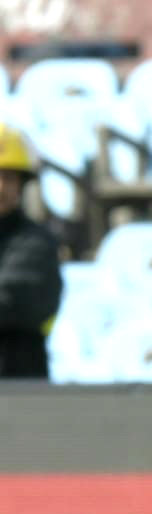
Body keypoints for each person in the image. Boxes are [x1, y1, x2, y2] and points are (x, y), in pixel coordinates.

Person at [0, 123, 62, 380]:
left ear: (21, 185)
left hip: (20, 388)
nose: (0, 187)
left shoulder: (36, 243)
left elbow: (13, 299)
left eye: (8, 178)